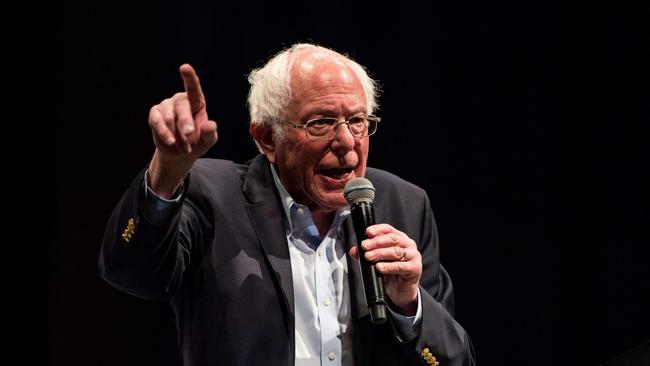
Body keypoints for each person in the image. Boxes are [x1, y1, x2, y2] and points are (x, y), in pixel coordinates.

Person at [99, 43, 475, 366]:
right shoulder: (213, 195)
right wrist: (166, 173)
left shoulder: (404, 204)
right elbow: (131, 274)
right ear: (266, 137)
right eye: (321, 122)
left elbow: (454, 359)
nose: (346, 141)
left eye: (358, 121)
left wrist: (408, 304)